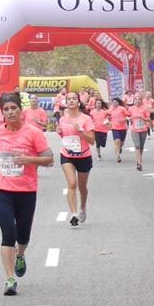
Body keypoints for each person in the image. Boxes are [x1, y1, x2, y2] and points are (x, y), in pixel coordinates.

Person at [0, 93, 53, 295]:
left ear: (21, 110)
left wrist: (28, 159)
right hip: (1, 190)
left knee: (23, 234)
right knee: (7, 233)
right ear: (2, 112)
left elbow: (49, 159)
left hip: (26, 190)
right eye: (6, 109)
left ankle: (20, 255)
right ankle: (10, 278)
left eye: (14, 108)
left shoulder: (33, 133)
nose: (10, 112)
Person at [58, 91, 96, 226]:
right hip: (67, 155)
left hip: (84, 156)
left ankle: (83, 207)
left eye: (74, 98)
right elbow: (65, 138)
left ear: (79, 102)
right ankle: (73, 214)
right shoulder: (62, 119)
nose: (71, 101)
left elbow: (92, 141)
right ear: (66, 102)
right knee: (72, 183)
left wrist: (81, 131)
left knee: (82, 187)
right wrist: (60, 133)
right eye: (69, 99)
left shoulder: (86, 119)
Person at [128, 94, 151, 171]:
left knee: (141, 147)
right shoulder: (131, 109)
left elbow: (148, 119)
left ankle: (139, 160)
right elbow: (127, 116)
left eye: (139, 99)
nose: (137, 101)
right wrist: (129, 118)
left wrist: (143, 118)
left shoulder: (145, 109)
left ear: (141, 101)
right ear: (134, 101)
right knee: (137, 146)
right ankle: (139, 163)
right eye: (136, 99)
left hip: (143, 130)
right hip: (134, 130)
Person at [109, 94, 129, 162]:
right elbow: (107, 115)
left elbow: (127, 116)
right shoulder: (111, 109)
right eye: (113, 102)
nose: (114, 104)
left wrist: (123, 120)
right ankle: (118, 156)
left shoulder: (122, 109)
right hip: (114, 128)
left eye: (115, 102)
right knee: (117, 141)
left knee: (122, 143)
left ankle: (120, 148)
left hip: (123, 128)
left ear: (118, 103)